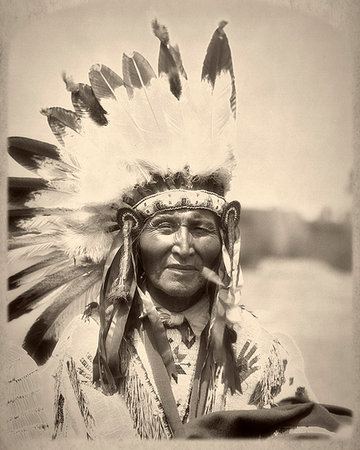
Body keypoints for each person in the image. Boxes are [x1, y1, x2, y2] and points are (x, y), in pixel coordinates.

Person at [5, 20, 351, 441]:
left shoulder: (263, 350)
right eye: (165, 226)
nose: (184, 247)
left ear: (225, 237)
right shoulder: (81, 351)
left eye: (202, 228)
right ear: (132, 239)